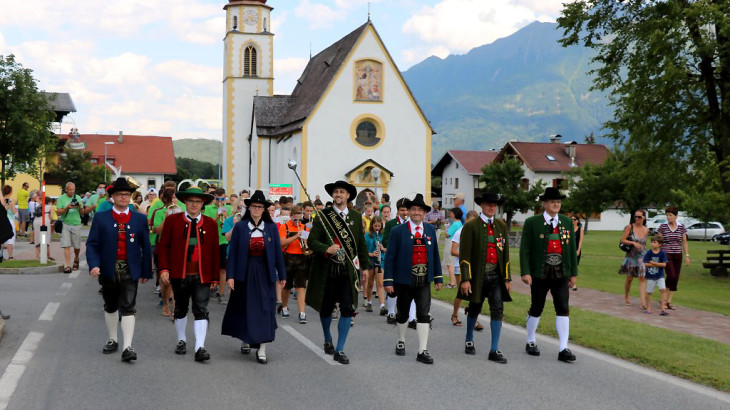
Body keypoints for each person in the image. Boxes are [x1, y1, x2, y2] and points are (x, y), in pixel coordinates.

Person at [86, 177, 153, 362]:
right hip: (107, 269)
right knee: (110, 305)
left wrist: (146, 271)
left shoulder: (140, 219)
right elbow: (92, 244)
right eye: (120, 195)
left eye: (126, 195)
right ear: (112, 197)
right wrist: (94, 265)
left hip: (130, 268)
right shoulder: (101, 218)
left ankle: (127, 347)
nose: (123, 198)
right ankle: (113, 339)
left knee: (129, 306)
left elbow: (145, 247)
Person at [306, 180, 371, 365]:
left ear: (348, 196)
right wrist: (327, 249)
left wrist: (365, 267)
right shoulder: (323, 216)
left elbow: (360, 244)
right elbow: (312, 242)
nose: (338, 195)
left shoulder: (356, 218)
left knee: (347, 309)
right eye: (336, 192)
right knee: (326, 309)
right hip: (327, 271)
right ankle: (328, 338)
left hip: (347, 272)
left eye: (342, 192)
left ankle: (340, 349)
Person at [157, 186, 220, 362]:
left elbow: (215, 251)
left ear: (203, 203)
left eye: (198, 201)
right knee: (180, 308)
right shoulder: (172, 221)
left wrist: (214, 276)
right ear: (185, 202)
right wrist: (164, 269)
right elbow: (163, 248)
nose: (194, 204)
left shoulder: (211, 224)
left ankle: (200, 346)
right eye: (191, 201)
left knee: (201, 308)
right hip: (179, 273)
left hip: (202, 274)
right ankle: (181, 340)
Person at [223, 190, 286, 364]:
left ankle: (262, 348)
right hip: (245, 271)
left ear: (264, 209)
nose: (256, 209)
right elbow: (233, 253)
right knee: (246, 307)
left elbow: (277, 254)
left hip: (264, 272)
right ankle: (246, 338)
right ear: (249, 208)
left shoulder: (271, 227)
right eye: (253, 206)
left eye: (259, 206)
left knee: (265, 308)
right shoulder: (241, 227)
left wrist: (282, 274)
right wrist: (230, 276)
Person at [520, 187, 578, 362]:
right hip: (540, 273)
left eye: (559, 202)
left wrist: (573, 273)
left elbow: (571, 249)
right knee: (537, 307)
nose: (556, 205)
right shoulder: (532, 222)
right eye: (553, 202)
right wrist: (526, 272)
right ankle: (530, 341)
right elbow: (525, 250)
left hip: (561, 273)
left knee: (563, 308)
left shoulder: (567, 222)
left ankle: (563, 348)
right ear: (544, 204)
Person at [384, 193, 443, 364]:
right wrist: (388, 281)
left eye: (420, 210)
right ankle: (401, 340)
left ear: (425, 213)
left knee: (424, 314)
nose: (417, 213)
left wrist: (438, 278)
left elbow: (435, 255)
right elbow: (390, 258)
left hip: (424, 280)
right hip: (403, 280)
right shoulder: (397, 231)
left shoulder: (431, 230)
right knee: (402, 314)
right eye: (414, 209)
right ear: (408, 212)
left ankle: (422, 350)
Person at [458, 194, 511, 363]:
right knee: (475, 307)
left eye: (494, 205)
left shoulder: (501, 226)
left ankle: (494, 350)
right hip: (477, 276)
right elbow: (464, 255)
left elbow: (505, 254)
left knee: (498, 309)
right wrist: (465, 279)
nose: (492, 208)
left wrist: (507, 279)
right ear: (482, 206)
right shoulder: (471, 226)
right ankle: (469, 338)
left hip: (496, 275)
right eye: (488, 204)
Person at [149, 187, 179, 317]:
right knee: (165, 280)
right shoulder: (159, 212)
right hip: (163, 248)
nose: (174, 200)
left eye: (175, 198)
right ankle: (166, 302)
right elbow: (157, 231)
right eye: (172, 198)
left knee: (176, 279)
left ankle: (175, 307)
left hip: (178, 248)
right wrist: (167, 218)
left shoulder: (181, 212)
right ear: (165, 199)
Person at [279, 205, 310, 323]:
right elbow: (282, 242)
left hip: (301, 257)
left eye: (299, 219)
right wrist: (296, 236)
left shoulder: (305, 228)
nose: (297, 222)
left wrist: (306, 241)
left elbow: (307, 244)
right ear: (290, 216)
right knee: (286, 285)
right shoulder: (284, 227)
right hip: (287, 257)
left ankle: (302, 313)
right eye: (295, 219)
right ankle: (285, 307)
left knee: (300, 286)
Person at [204, 188, 233, 304]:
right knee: (210, 267)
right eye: (218, 198)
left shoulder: (229, 208)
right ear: (214, 198)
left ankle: (221, 294)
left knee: (223, 269)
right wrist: (216, 217)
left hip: (224, 241)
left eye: (223, 198)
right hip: (211, 240)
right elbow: (205, 224)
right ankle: (208, 288)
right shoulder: (208, 208)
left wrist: (226, 217)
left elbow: (231, 223)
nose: (220, 200)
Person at [449, 210, 479, 326]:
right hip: (460, 266)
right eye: (469, 221)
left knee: (475, 292)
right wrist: (466, 255)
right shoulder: (459, 232)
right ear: (466, 220)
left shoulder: (477, 233)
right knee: (461, 292)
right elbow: (453, 251)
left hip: (474, 267)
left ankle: (474, 317)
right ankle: (455, 315)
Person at [657, 207, 689, 310]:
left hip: (678, 254)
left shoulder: (681, 227)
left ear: (676, 216)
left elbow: (684, 241)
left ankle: (668, 301)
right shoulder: (663, 227)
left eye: (670, 215)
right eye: (667, 215)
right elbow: (658, 241)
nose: (668, 217)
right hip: (666, 254)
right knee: (671, 275)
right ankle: (663, 296)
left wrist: (687, 255)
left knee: (675, 278)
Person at [619, 210, 649, 308]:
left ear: (644, 218)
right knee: (630, 278)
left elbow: (645, 244)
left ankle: (643, 302)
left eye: (639, 217)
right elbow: (622, 240)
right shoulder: (630, 227)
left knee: (642, 277)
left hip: (642, 256)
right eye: (635, 216)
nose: (637, 218)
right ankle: (626, 296)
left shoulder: (646, 230)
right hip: (631, 256)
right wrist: (633, 243)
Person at [57, 182, 86, 273]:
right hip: (66, 224)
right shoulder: (61, 199)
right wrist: (67, 208)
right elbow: (58, 212)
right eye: (70, 190)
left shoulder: (77, 198)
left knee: (77, 246)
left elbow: (82, 213)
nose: (72, 191)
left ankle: (76, 257)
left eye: (73, 189)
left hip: (76, 224)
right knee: (66, 245)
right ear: (66, 190)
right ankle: (68, 265)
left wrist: (80, 208)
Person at [364, 216, 386, 314]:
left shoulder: (383, 235)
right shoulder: (367, 236)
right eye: (375, 226)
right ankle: (369, 302)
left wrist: (382, 248)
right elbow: (363, 250)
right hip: (370, 260)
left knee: (380, 283)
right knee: (370, 283)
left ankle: (382, 306)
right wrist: (371, 254)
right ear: (372, 226)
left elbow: (387, 249)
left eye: (379, 226)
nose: (377, 228)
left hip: (380, 260)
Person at [643, 234, 669, 316]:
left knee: (663, 289)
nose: (652, 244)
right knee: (649, 292)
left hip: (660, 275)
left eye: (654, 242)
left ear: (660, 244)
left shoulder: (662, 253)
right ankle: (648, 307)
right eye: (652, 242)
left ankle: (663, 309)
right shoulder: (649, 253)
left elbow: (664, 265)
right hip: (651, 275)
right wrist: (656, 264)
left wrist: (653, 263)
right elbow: (646, 264)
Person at [444, 208, 463, 288]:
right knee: (452, 262)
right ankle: (454, 281)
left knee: (449, 263)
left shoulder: (455, 223)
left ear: (454, 214)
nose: (450, 214)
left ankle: (452, 282)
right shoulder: (459, 223)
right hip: (456, 243)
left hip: (451, 242)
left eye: (451, 213)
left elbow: (447, 234)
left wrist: (445, 228)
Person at [33, 197, 54, 261]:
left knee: (37, 240)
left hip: (36, 222)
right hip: (45, 222)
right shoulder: (50, 207)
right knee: (46, 240)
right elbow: (51, 216)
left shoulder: (38, 206)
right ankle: (47, 256)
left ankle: (36, 256)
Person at [1, 185, 16, 261]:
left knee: (2, 238)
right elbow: (14, 212)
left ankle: (1, 256)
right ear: (10, 191)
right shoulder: (11, 201)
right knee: (10, 239)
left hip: (2, 220)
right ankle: (10, 257)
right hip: (10, 220)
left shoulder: (1, 200)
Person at [571, 215, 584, 291]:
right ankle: (569, 282)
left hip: (576, 250)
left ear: (577, 221)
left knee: (575, 266)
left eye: (574, 219)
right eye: (571, 219)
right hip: (569, 250)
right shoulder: (568, 229)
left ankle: (574, 284)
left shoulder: (580, 229)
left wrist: (578, 250)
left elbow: (580, 241)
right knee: (569, 265)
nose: (572, 221)